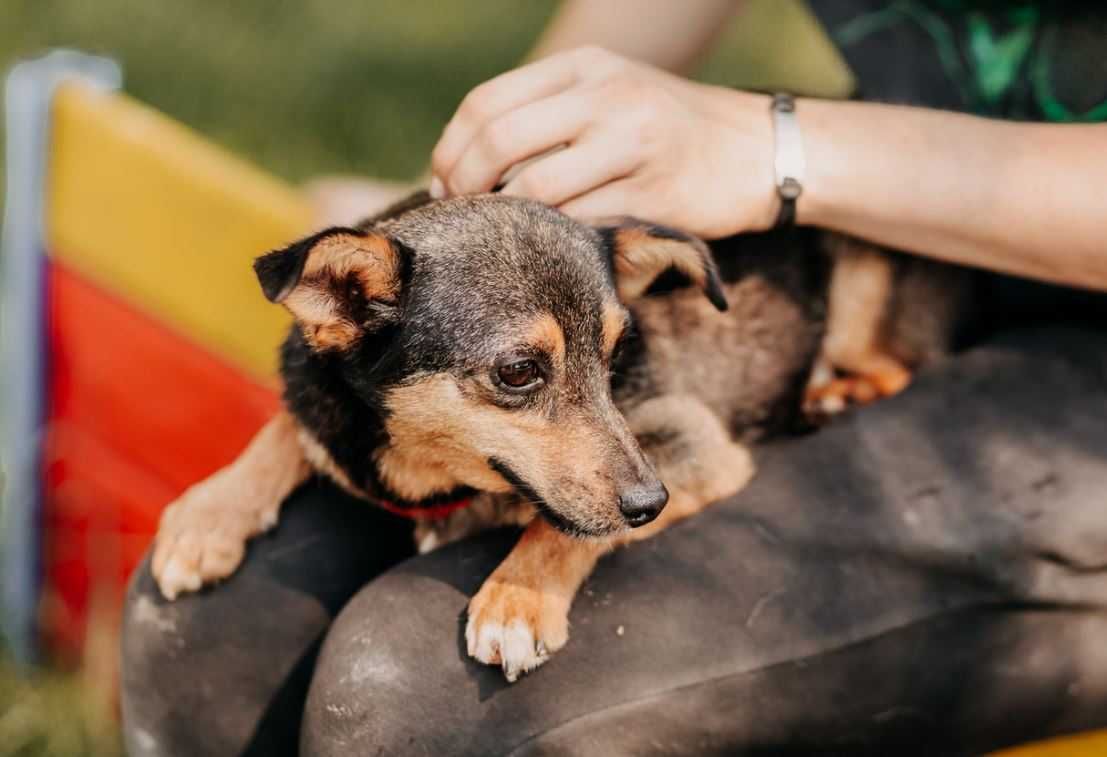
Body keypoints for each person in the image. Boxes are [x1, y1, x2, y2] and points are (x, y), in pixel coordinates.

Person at [122, 2, 1107, 755]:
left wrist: (774, 150)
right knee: (219, 627)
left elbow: (676, 451)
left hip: (1047, 352)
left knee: (418, 697)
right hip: (853, 212)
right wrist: (482, 196)